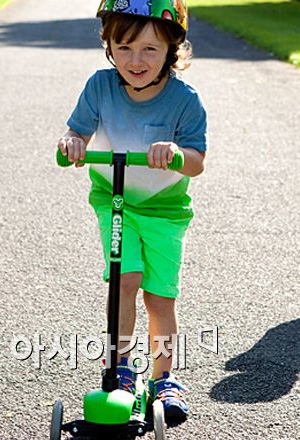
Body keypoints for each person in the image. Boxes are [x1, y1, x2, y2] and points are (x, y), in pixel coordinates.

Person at [57, 0, 205, 422]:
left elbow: (197, 161)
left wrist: (176, 154)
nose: (135, 61)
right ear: (109, 46)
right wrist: (72, 144)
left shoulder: (185, 100)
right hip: (115, 199)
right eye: (123, 48)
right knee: (124, 281)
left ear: (171, 49)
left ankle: (164, 377)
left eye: (149, 50)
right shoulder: (99, 87)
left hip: (165, 210)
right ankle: (119, 369)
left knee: (159, 297)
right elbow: (76, 132)